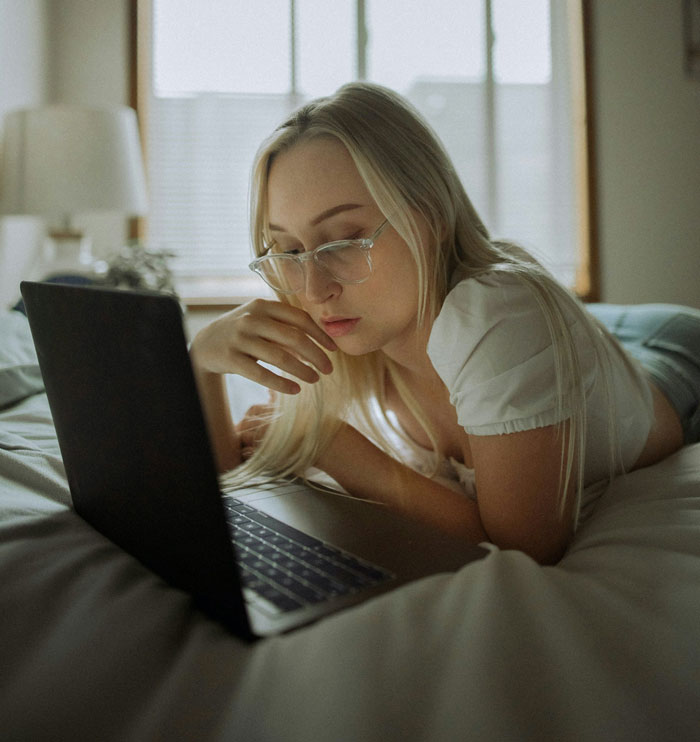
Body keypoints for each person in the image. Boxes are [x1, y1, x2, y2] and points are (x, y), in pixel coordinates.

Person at [190, 82, 700, 565]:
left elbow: (527, 546)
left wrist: (335, 447)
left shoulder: (499, 315)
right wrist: (201, 366)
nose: (313, 287)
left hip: (671, 355)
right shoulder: (329, 315)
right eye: (290, 250)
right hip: (569, 344)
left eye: (344, 239)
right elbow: (235, 483)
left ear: (429, 217)